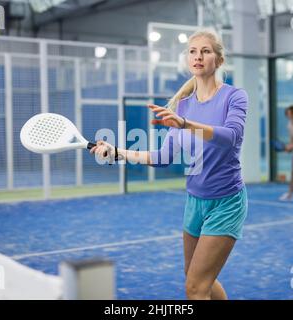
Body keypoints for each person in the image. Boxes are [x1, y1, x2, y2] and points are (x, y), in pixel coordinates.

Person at [91, 29, 248, 300]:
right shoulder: (183, 106)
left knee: (195, 287)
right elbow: (163, 158)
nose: (198, 56)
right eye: (193, 52)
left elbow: (230, 137)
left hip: (226, 203)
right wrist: (117, 151)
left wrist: (185, 124)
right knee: (197, 279)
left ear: (218, 60)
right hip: (194, 202)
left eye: (206, 51)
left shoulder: (234, 97)